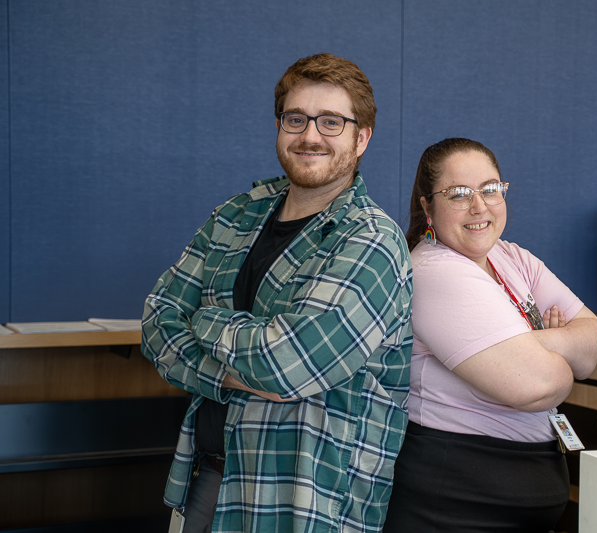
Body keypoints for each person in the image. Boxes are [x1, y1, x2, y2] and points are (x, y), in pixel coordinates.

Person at [141, 53, 413, 533]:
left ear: (362, 137)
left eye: (332, 122)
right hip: (210, 477)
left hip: (307, 499)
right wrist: (230, 375)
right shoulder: (236, 214)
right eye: (296, 119)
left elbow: (288, 365)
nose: (310, 136)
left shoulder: (371, 240)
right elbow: (157, 323)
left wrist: (205, 320)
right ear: (279, 126)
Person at [382, 138, 597, 533]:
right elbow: (539, 384)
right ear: (426, 206)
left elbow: (593, 343)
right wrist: (553, 349)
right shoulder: (435, 271)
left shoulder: (513, 257)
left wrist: (524, 343)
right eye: (459, 194)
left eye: (490, 189)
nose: (479, 205)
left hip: (519, 485)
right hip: (456, 497)